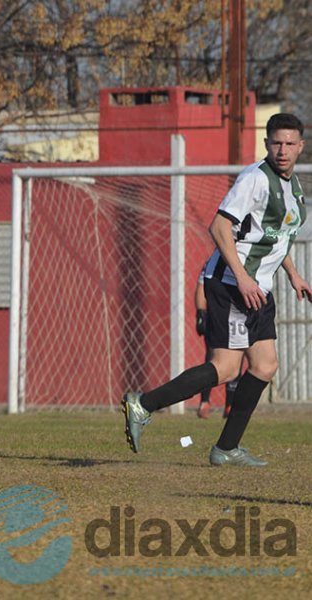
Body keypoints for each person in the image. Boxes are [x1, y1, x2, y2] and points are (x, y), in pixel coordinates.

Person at [122, 112, 308, 467]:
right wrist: (240, 276)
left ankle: (225, 449)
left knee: (265, 365)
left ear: (300, 146)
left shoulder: (293, 187)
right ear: (266, 144)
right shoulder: (255, 179)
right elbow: (219, 226)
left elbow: (275, 239)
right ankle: (142, 404)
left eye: (289, 143)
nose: (282, 150)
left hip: (257, 288)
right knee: (224, 368)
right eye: (276, 143)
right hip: (230, 283)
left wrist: (293, 274)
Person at [194, 271, 240, 419]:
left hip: (237, 313)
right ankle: (204, 402)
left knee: (237, 359)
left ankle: (230, 404)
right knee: (212, 357)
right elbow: (202, 284)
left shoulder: (245, 257)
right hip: (217, 316)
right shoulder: (213, 261)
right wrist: (201, 313)